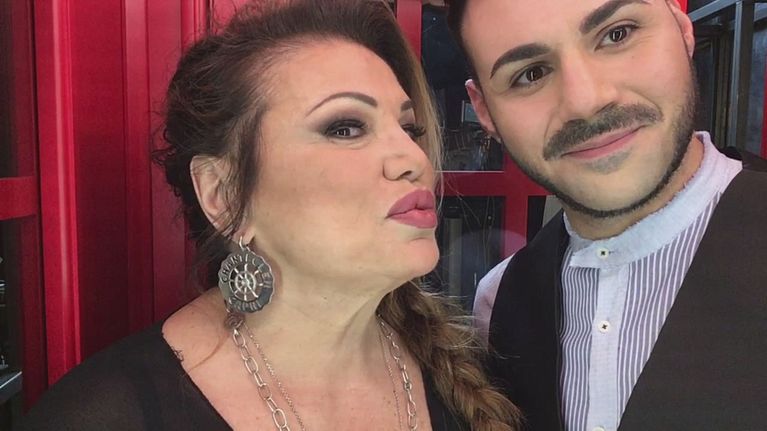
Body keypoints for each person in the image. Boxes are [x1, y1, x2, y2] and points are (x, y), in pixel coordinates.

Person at [17, 1, 522, 430]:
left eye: (409, 129)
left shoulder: (463, 374)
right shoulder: (104, 415)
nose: (414, 159)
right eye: (345, 128)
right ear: (223, 194)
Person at [446, 0, 767, 429]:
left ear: (682, 28)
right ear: (484, 110)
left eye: (617, 34)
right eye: (531, 74)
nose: (586, 101)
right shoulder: (500, 304)